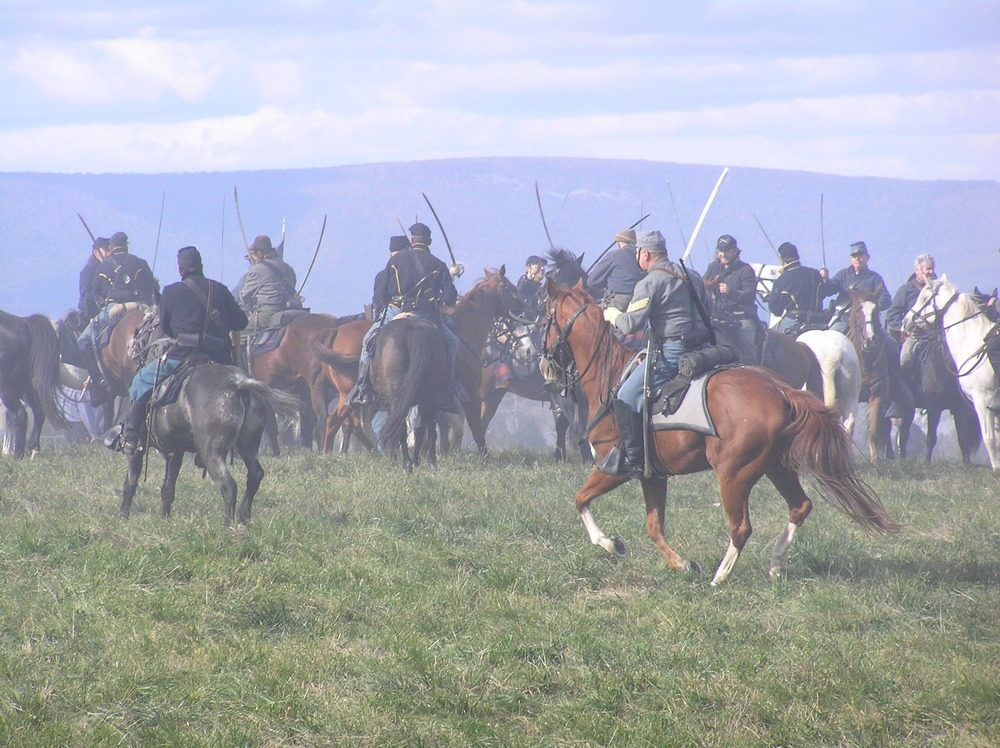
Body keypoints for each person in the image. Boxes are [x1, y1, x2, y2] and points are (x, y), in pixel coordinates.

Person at [110, 246, 248, 455]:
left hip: (183, 356)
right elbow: (241, 321)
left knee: (141, 382)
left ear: (180, 269)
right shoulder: (219, 289)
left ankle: (130, 436)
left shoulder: (171, 292)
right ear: (201, 267)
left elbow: (166, 328)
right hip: (220, 358)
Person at [600, 230, 713, 478]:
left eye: (637, 252)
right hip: (704, 348)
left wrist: (611, 315)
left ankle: (634, 459)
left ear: (645, 253)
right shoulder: (690, 274)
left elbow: (631, 325)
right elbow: (710, 306)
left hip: (673, 352)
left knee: (626, 394)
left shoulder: (650, 282)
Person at [351, 231, 461, 418]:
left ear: (412, 241)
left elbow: (380, 295)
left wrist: (384, 306)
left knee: (368, 342)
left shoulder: (395, 261)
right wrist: (449, 279)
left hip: (396, 310)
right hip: (425, 315)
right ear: (429, 242)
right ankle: (446, 389)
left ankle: (362, 388)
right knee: (453, 344)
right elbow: (450, 299)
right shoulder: (438, 264)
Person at [79, 231, 159, 406]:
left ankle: (99, 381)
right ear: (126, 245)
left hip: (113, 309)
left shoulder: (102, 266)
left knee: (83, 342)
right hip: (141, 307)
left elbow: (95, 294)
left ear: (111, 248)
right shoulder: (140, 263)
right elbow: (153, 287)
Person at [703, 234, 760, 363]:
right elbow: (703, 285)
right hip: (717, 316)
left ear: (735, 251)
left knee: (747, 344)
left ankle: (753, 371)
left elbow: (750, 295)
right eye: (721, 251)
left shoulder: (746, 270)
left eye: (727, 251)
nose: (722, 254)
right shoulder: (713, 267)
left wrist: (731, 291)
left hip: (740, 319)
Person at [818, 241, 892, 333]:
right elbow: (828, 291)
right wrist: (825, 279)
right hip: (844, 319)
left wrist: (873, 308)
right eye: (854, 256)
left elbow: (886, 298)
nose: (857, 258)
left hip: (868, 321)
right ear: (850, 259)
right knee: (831, 337)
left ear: (867, 257)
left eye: (860, 255)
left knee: (890, 343)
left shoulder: (875, 278)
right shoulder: (842, 275)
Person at [237, 235, 301, 332]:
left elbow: (244, 297)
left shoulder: (257, 270)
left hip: (268, 314)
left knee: (238, 331)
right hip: (289, 311)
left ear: (257, 254)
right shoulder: (288, 268)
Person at [767, 241, 826, 334]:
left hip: (795, 322)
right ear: (798, 257)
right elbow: (826, 291)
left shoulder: (782, 280)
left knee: (767, 338)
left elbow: (776, 310)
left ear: (782, 260)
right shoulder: (815, 273)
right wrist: (825, 279)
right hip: (819, 321)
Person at [586, 228, 644, 311]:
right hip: (640, 301)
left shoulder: (614, 256)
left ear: (619, 244)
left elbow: (591, 281)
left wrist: (608, 283)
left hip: (617, 302)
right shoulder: (641, 258)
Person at [886, 253, 936, 343]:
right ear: (918, 270)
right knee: (906, 356)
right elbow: (892, 314)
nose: (931, 271)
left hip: (938, 334)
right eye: (928, 269)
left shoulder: (939, 288)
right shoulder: (905, 290)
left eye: (932, 268)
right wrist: (906, 329)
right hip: (915, 337)